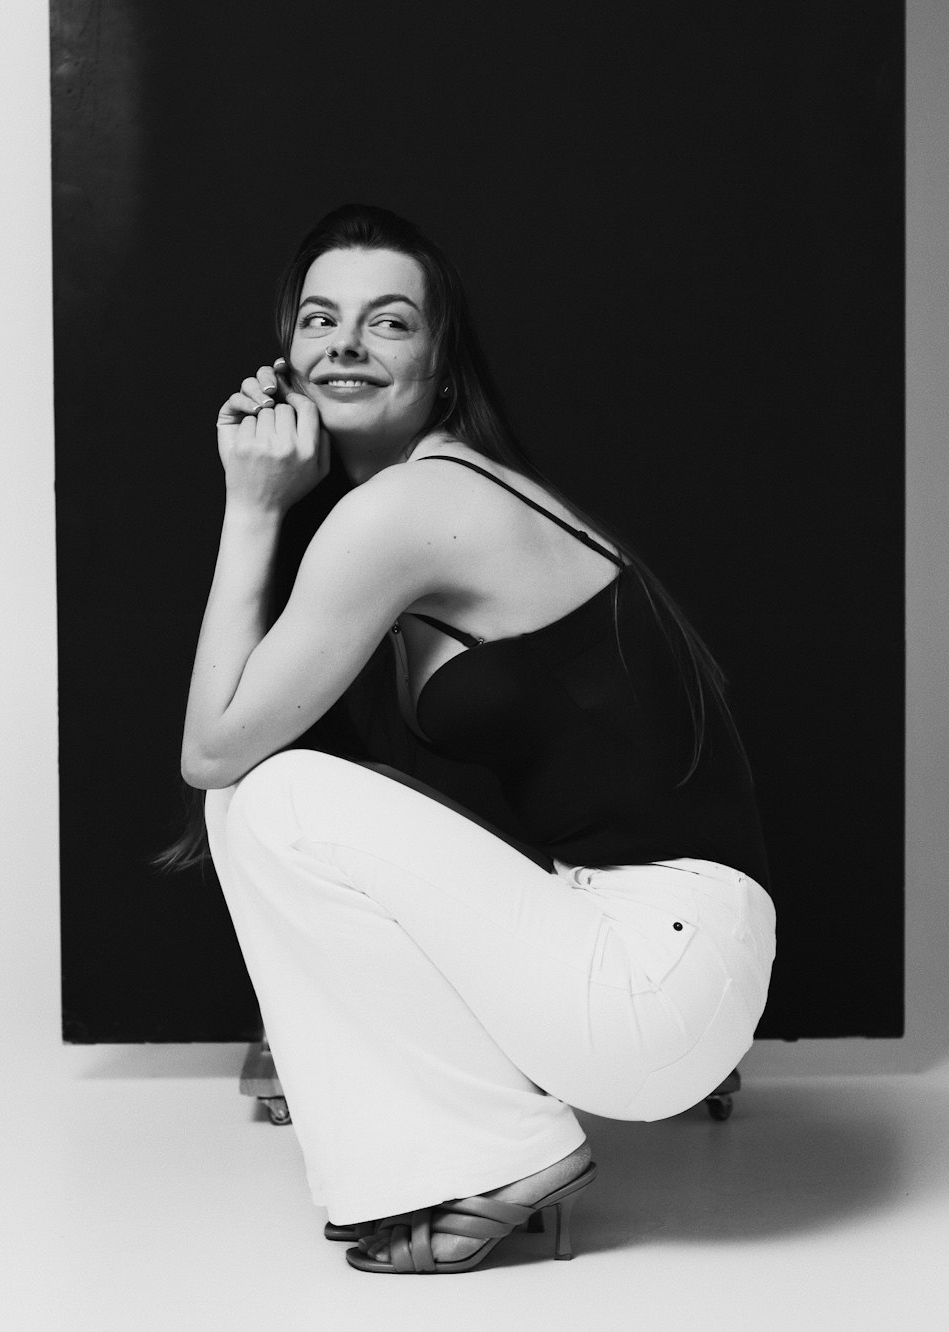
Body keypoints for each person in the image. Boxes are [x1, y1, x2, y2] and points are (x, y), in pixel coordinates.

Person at [173, 203, 775, 1275]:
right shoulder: (437, 493)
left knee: (264, 798)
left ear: (443, 363)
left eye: (389, 322)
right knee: (277, 800)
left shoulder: (411, 509)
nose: (345, 343)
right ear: (286, 354)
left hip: (655, 977)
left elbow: (213, 749)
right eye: (319, 319)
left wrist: (254, 506)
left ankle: (500, 1157)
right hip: (665, 962)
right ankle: (481, 1138)